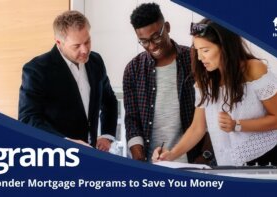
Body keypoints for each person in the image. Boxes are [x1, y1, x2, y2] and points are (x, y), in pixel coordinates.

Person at [152, 18, 277, 166]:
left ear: (225, 47)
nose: (199, 57)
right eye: (197, 50)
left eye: (205, 50)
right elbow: (198, 127)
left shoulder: (254, 69)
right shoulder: (205, 81)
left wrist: (237, 125)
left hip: (274, 153)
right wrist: (171, 155)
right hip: (240, 162)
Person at [123, 3, 213, 163]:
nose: (152, 46)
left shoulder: (195, 60)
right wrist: (138, 157)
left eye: (156, 37)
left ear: (167, 27)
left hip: (195, 162)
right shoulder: (133, 69)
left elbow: (211, 113)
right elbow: (132, 120)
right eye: (144, 41)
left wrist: (205, 155)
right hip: (153, 163)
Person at [18, 10, 118, 151]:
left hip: (90, 154)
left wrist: (107, 135)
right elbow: (28, 119)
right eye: (76, 46)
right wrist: (64, 142)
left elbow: (109, 100)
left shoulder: (96, 61)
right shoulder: (36, 70)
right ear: (59, 42)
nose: (85, 50)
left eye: (87, 41)